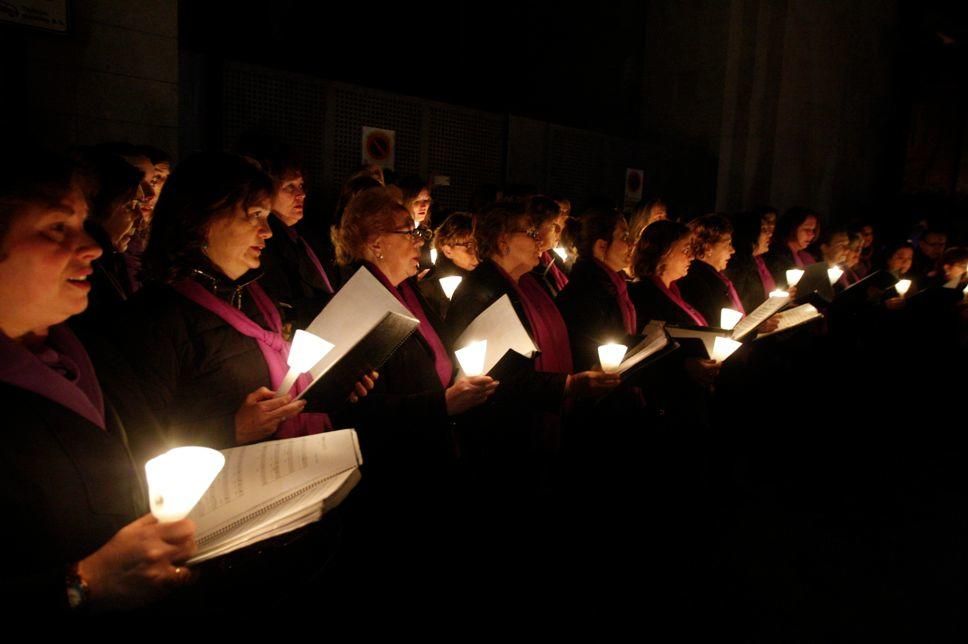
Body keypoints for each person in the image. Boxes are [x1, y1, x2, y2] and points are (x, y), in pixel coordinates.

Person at [0, 151, 195, 614]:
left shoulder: (91, 348)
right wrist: (83, 584)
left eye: (85, 223)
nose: (93, 246)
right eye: (55, 228)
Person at [119, 152, 370, 459]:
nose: (267, 231)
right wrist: (232, 429)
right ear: (203, 217)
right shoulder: (154, 318)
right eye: (254, 215)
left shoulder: (254, 296)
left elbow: (278, 388)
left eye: (266, 216)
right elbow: (139, 437)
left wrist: (340, 385)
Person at [256, 155, 335, 332]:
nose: (301, 194)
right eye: (289, 186)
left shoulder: (302, 235)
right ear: (266, 193)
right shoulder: (265, 245)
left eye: (300, 185)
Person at [556, 207, 637, 372]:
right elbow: (585, 351)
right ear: (601, 246)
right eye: (624, 237)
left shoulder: (613, 285)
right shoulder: (585, 293)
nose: (631, 244)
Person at [677, 214, 746, 327]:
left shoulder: (715, 279)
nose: (732, 250)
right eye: (727, 244)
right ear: (708, 247)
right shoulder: (697, 284)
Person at [418, 211, 478, 320]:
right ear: (447, 250)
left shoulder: (481, 284)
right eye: (468, 246)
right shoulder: (425, 292)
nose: (476, 253)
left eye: (479, 245)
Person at [725, 210, 779, 314]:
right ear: (750, 235)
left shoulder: (759, 262)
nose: (770, 234)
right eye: (763, 230)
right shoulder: (737, 268)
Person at [527, 195, 570, 297]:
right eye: (554, 225)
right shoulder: (529, 269)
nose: (559, 231)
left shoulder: (552, 258)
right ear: (535, 229)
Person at [765, 207, 820, 282]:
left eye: (813, 230)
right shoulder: (778, 257)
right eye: (807, 229)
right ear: (792, 228)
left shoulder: (804, 256)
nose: (812, 235)